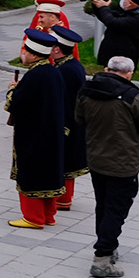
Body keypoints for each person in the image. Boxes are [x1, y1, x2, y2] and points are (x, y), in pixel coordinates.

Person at [76, 55, 139, 278]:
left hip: (96, 158)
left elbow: (79, 119)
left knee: (103, 205)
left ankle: (108, 245)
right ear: (130, 74)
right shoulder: (133, 96)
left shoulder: (87, 90)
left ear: (106, 69)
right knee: (116, 209)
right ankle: (102, 258)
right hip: (123, 163)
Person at [7, 26, 66, 229]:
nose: (22, 54)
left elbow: (15, 106)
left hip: (34, 134)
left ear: (32, 54)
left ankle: (33, 217)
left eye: (24, 50)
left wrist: (12, 91)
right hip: (52, 133)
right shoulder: (53, 72)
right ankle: (48, 215)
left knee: (31, 172)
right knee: (48, 173)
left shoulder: (34, 76)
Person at [48, 23, 90, 214]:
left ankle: (63, 199)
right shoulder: (71, 65)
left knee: (65, 160)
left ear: (57, 49)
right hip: (72, 120)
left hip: (67, 122)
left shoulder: (65, 70)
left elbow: (62, 100)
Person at [91, 0, 139, 77]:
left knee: (118, 81)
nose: (122, 1)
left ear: (130, 3)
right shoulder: (128, 13)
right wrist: (97, 6)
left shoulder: (138, 18)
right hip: (113, 54)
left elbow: (112, 22)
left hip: (124, 59)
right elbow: (106, 17)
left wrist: (103, 7)